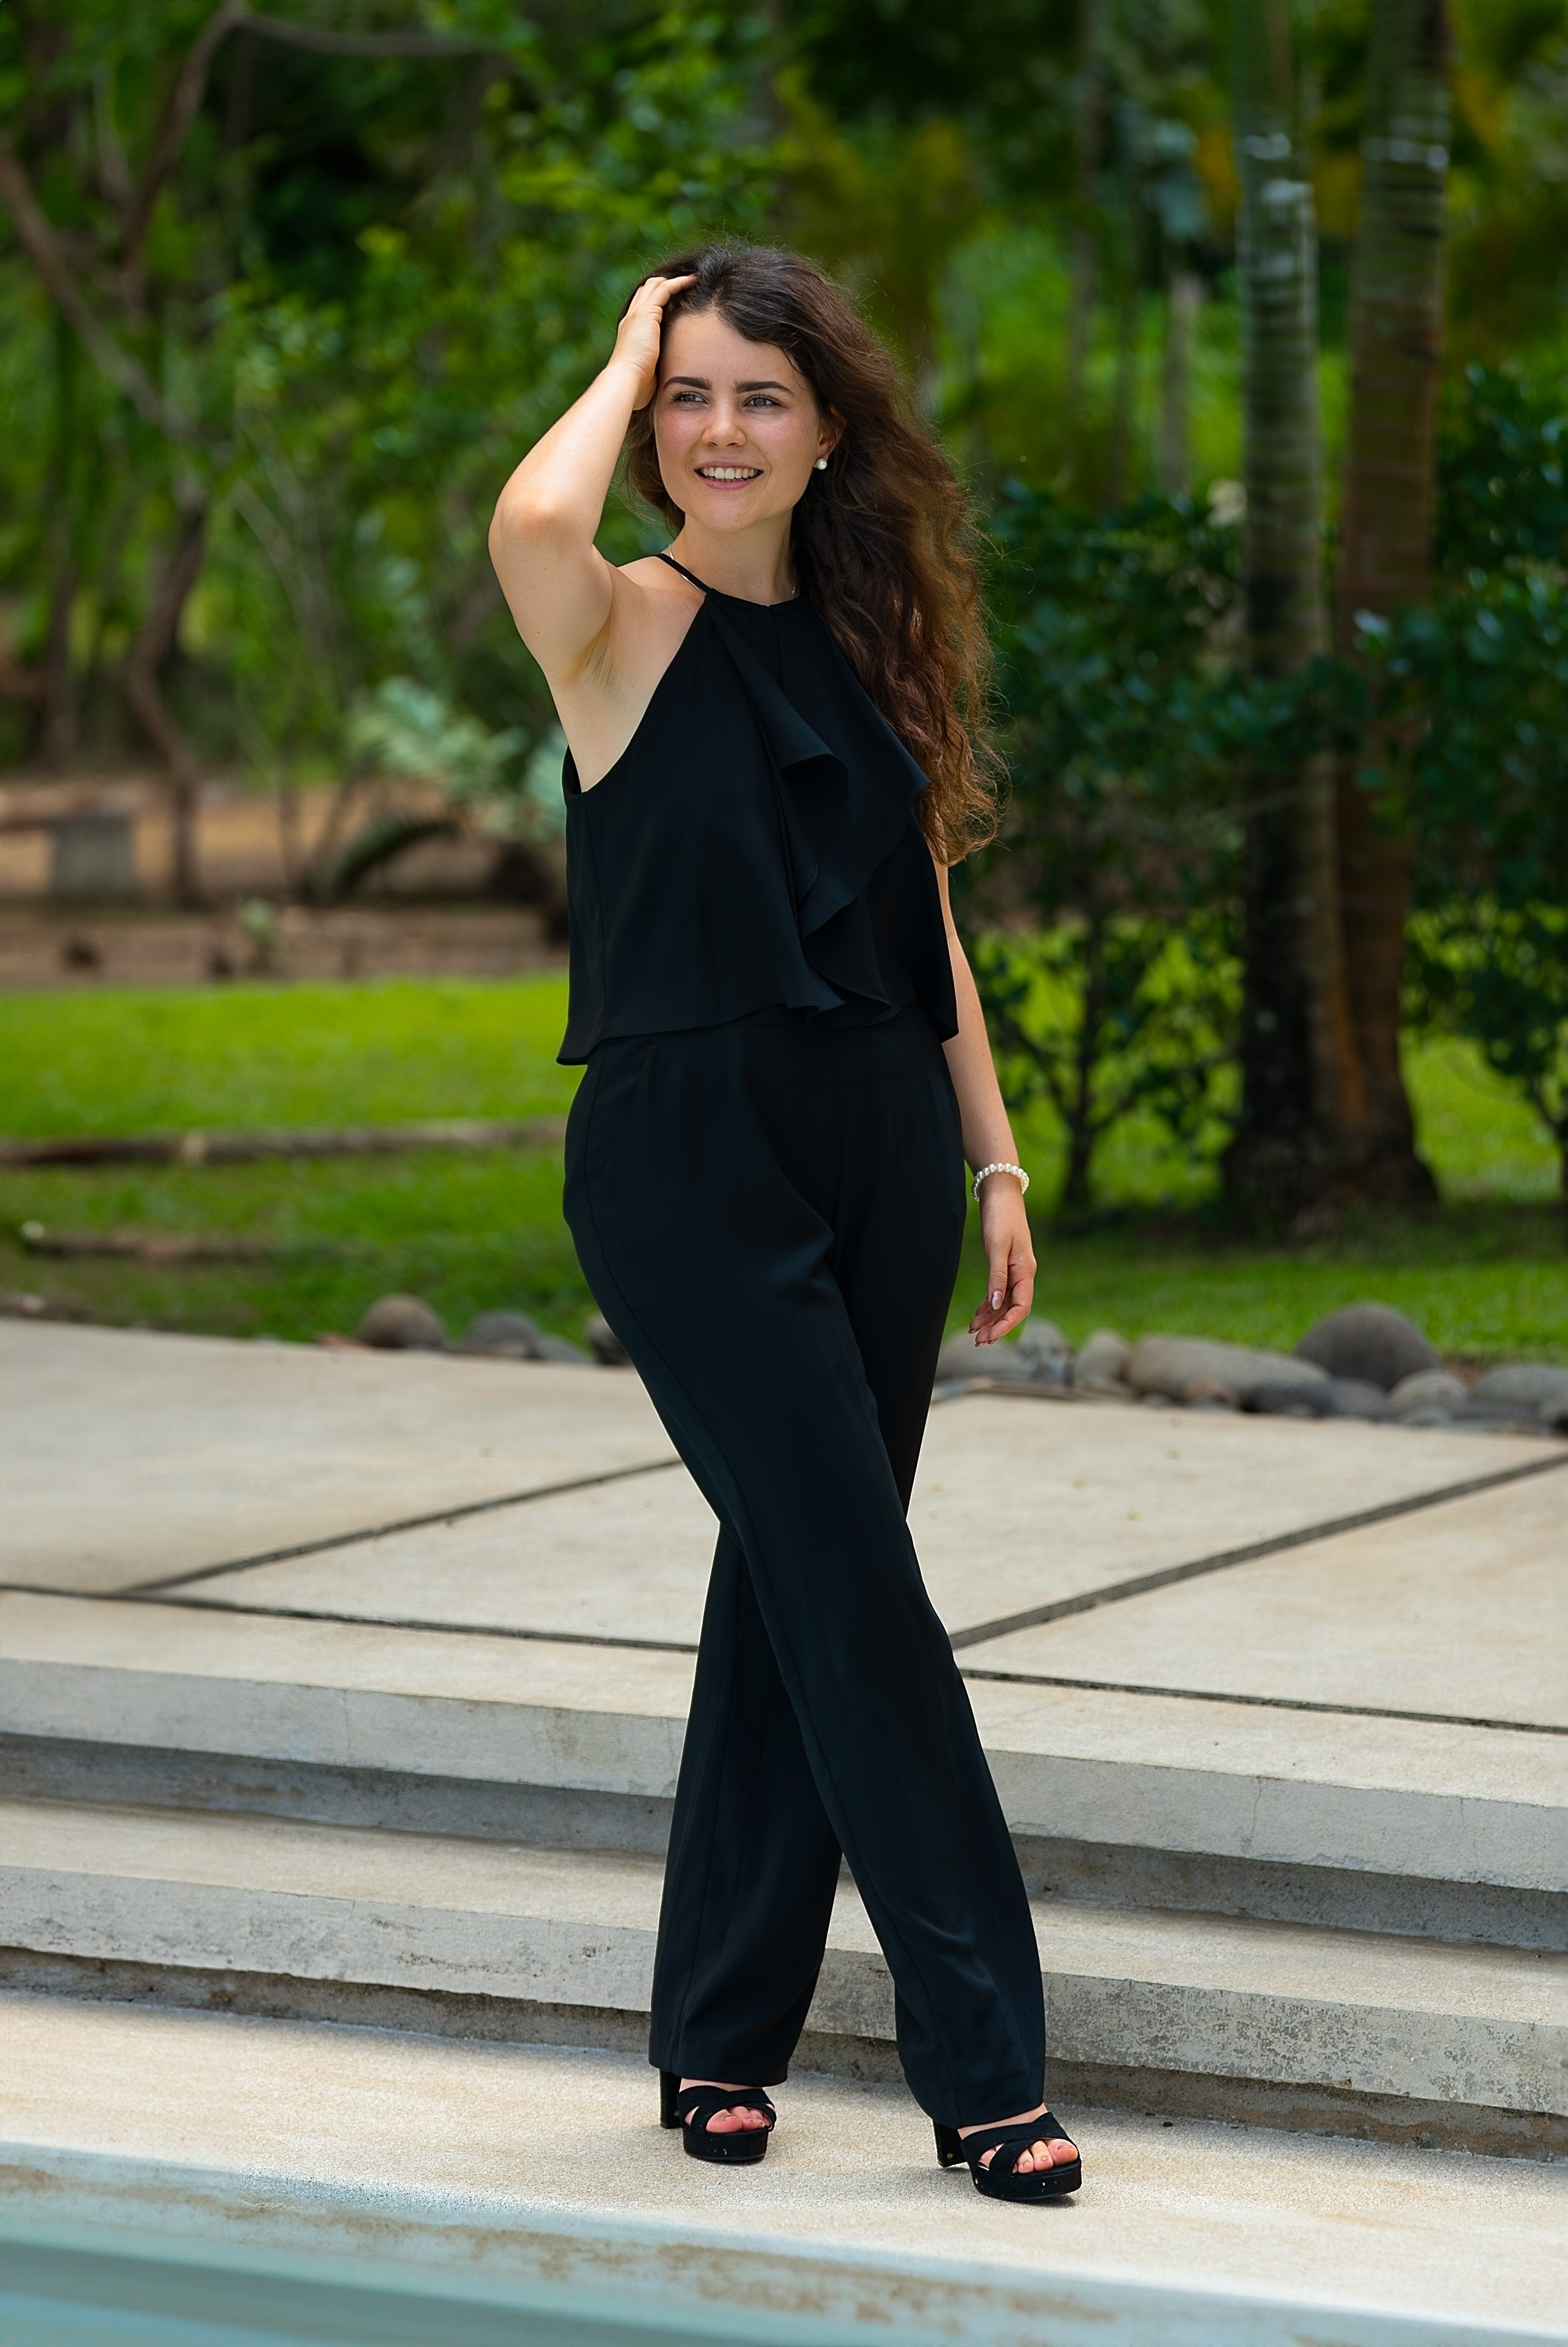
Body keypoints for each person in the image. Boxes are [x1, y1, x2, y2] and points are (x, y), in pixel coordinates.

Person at [488, 243, 1080, 2204]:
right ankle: (983, 2062)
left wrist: (988, 1154)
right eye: (689, 397)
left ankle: (720, 2033)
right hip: (683, 1158)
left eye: (759, 394)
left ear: (828, 433)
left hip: (880, 1145)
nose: (719, 430)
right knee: (853, 1589)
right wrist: (622, 334)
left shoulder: (859, 649)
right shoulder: (614, 625)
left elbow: (921, 929)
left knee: (791, 1580)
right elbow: (529, 510)